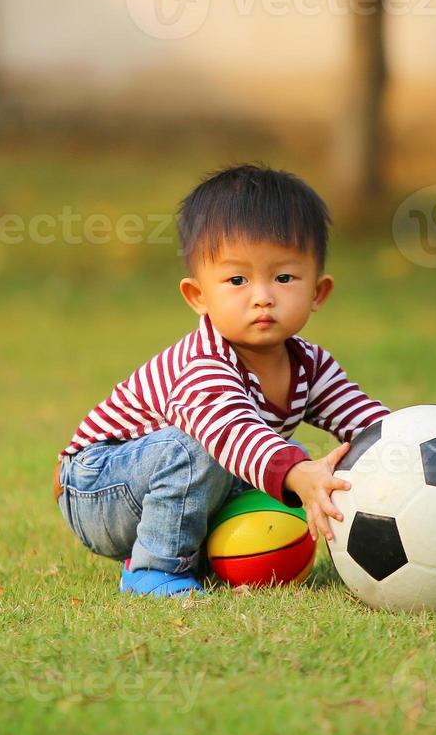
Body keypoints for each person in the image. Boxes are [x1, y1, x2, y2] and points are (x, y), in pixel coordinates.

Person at [53, 164, 389, 597]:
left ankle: (224, 555)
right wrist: (298, 471)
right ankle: (152, 568)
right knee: (209, 451)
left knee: (296, 460)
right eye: (237, 280)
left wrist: (413, 448)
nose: (262, 295)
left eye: (284, 277)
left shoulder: (311, 364)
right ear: (198, 297)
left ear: (317, 293)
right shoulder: (204, 364)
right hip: (97, 488)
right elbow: (231, 434)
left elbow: (365, 421)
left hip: (164, 480)